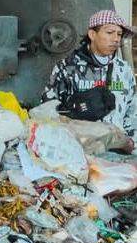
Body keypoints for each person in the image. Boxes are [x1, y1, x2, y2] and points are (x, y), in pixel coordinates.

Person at [42, 9, 137, 145]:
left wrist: (132, 144)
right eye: (109, 32)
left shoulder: (124, 70)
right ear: (92, 34)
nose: (116, 39)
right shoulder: (67, 68)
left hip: (118, 154)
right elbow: (47, 112)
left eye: (119, 34)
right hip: (78, 152)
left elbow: (132, 112)